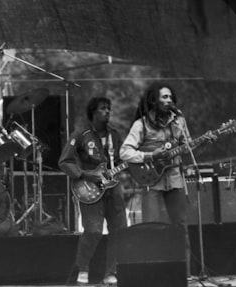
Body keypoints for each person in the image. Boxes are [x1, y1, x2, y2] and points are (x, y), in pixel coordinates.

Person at [120, 82, 203, 272]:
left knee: (181, 227)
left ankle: (185, 274)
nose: (169, 100)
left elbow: (188, 148)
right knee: (152, 229)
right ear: (154, 101)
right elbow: (124, 152)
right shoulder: (141, 124)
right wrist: (149, 156)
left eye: (170, 97)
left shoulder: (179, 121)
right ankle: (154, 275)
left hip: (175, 178)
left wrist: (204, 141)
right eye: (164, 97)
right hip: (152, 181)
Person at [59, 97, 127, 285]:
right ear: (93, 112)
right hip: (89, 189)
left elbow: (123, 160)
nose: (107, 112)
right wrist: (85, 175)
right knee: (93, 230)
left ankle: (110, 272)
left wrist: (130, 164)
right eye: (102, 109)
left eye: (108, 109)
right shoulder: (81, 134)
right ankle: (83, 267)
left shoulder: (115, 135)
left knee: (119, 230)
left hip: (114, 189)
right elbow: (64, 161)